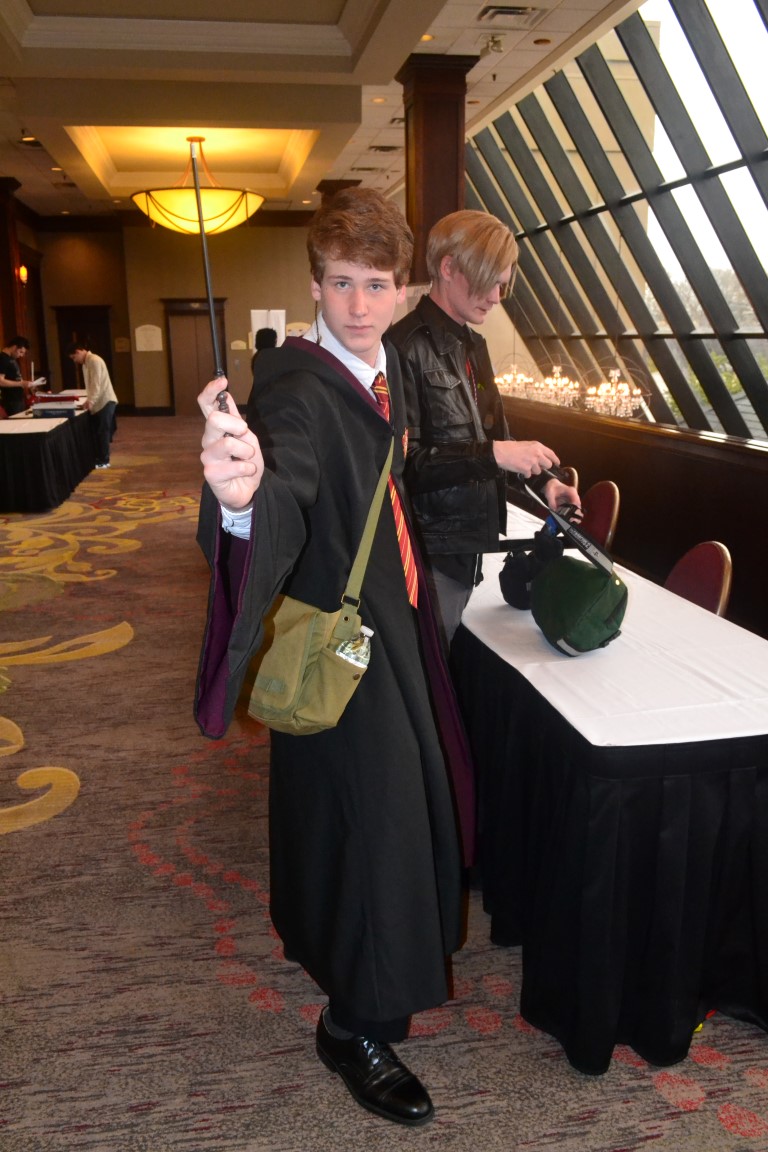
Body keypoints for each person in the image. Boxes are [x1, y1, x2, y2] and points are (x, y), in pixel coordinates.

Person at [194, 188, 470, 1128]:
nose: (359, 304)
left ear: (402, 291)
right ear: (315, 284)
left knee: (385, 812)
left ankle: (359, 976)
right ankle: (354, 1024)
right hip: (341, 642)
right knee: (372, 825)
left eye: (377, 284)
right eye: (342, 283)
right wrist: (243, 498)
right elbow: (290, 476)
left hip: (396, 623)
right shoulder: (297, 390)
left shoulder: (385, 370)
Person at [388, 210, 580, 648]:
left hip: (466, 550)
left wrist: (546, 483)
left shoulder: (473, 345)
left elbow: (497, 441)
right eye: (488, 282)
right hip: (425, 555)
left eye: (502, 285)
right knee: (426, 669)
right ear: (448, 267)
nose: (496, 297)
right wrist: (494, 455)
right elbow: (403, 467)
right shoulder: (402, 347)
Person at [67, 341, 118, 468]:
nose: (74, 361)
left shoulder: (94, 360)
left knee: (102, 433)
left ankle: (104, 461)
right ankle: (98, 458)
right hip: (98, 402)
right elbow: (90, 386)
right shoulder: (86, 363)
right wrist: (89, 400)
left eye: (74, 357)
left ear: (78, 352)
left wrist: (91, 401)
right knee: (97, 433)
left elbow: (96, 384)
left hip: (105, 401)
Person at [0, 336, 33, 416]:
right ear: (15, 347)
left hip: (18, 399)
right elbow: (1, 381)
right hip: (11, 400)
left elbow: (16, 378)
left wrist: (26, 383)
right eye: (21, 352)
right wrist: (21, 383)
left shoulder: (12, 359)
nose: (21, 355)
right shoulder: (2, 359)